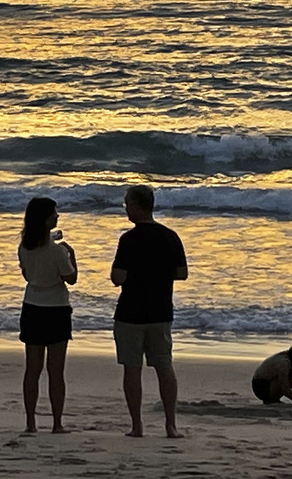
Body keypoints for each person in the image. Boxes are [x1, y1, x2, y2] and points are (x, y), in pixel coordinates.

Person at [110, 184, 187, 438]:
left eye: (127, 204)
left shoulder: (128, 239)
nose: (125, 209)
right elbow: (181, 273)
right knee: (164, 367)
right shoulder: (170, 236)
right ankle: (170, 424)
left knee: (132, 369)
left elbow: (118, 277)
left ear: (135, 205)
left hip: (131, 312)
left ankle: (137, 425)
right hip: (160, 310)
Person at [18, 196, 78, 434]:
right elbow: (71, 278)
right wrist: (71, 254)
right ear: (45, 220)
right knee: (56, 370)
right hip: (56, 309)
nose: (57, 216)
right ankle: (56, 422)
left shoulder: (24, 247)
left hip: (32, 306)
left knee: (32, 369)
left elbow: (26, 275)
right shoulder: (57, 252)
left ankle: (31, 422)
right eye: (54, 213)